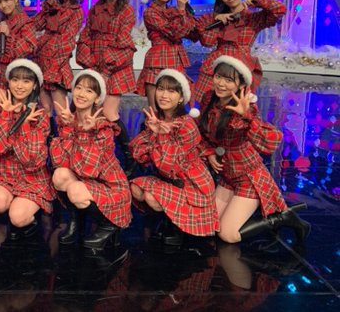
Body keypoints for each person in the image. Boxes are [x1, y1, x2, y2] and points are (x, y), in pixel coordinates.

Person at [198, 55, 310, 244]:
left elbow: (270, 143)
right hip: (227, 175)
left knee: (227, 234)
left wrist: (247, 116)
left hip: (249, 178)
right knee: (209, 225)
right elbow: (203, 132)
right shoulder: (209, 98)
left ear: (241, 85)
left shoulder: (248, 108)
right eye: (218, 76)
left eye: (229, 80)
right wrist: (209, 153)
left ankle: (282, 218)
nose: (221, 84)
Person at [129, 69, 218, 246]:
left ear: (180, 98)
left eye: (171, 91)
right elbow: (137, 153)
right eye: (161, 89)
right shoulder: (156, 119)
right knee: (136, 189)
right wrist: (154, 135)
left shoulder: (186, 125)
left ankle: (175, 226)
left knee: (151, 197)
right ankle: (166, 218)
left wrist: (160, 137)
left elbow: (168, 166)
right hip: (169, 179)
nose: (164, 95)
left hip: (191, 183)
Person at [50, 69, 132, 250]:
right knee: (59, 175)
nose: (81, 94)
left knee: (75, 190)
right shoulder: (69, 120)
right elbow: (59, 161)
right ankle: (76, 221)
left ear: (97, 98)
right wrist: (68, 127)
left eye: (89, 91)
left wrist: (85, 134)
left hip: (109, 186)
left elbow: (89, 170)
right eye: (79, 88)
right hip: (85, 181)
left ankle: (110, 224)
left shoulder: (103, 127)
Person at [0, 59, 55, 240]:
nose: (19, 86)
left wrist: (25, 126)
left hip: (32, 178)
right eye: (15, 80)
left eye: (26, 81)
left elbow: (32, 160)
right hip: (4, 175)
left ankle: (31, 215)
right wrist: (6, 116)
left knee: (18, 218)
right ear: (9, 82)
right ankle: (15, 206)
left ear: (34, 85)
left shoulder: (40, 116)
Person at [76, 0, 136, 173]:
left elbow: (123, 41)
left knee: (109, 112)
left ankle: (129, 156)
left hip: (116, 63)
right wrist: (91, 64)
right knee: (95, 112)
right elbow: (86, 35)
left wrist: (106, 69)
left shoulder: (126, 10)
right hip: (95, 61)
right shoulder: (96, 8)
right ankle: (99, 155)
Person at [193, 0, 286, 102]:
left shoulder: (254, 18)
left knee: (236, 107)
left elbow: (280, 9)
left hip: (241, 65)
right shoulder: (217, 18)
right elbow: (207, 42)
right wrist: (216, 20)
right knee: (207, 105)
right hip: (216, 65)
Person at [32, 0, 84, 128]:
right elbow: (35, 25)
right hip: (42, 56)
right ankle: (46, 140)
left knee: (61, 110)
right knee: (45, 108)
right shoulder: (52, 8)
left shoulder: (77, 11)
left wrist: (53, 67)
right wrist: (46, 9)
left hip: (58, 61)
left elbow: (68, 40)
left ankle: (65, 140)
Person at [136, 0, 196, 107]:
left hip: (176, 58)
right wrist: (181, 11)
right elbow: (174, 33)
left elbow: (192, 32)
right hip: (158, 59)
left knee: (177, 106)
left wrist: (186, 12)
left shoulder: (174, 11)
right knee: (156, 108)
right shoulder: (150, 12)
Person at [0, 0, 37, 104]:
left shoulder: (26, 22)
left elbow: (28, 48)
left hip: (19, 73)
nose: (3, 5)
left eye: (7, 0)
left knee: (18, 110)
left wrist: (9, 35)